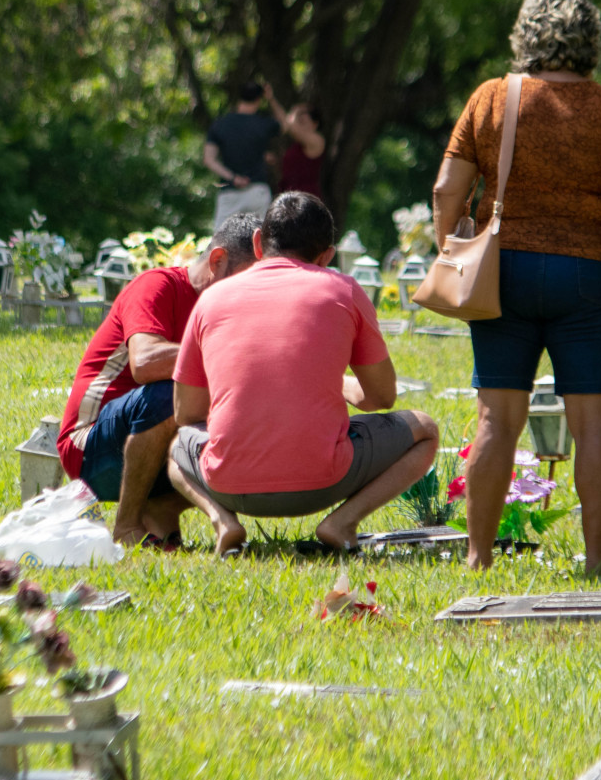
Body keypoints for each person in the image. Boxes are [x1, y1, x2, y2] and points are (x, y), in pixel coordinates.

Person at [431, 0, 601, 577]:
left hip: (504, 271)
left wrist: (450, 250)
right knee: (593, 424)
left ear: (525, 38)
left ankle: (478, 557)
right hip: (588, 276)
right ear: (591, 43)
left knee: (497, 419)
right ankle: (598, 561)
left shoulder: (492, 98)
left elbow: (446, 189)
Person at [166, 192, 441, 555]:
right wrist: (337, 384)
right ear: (328, 255)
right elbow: (381, 397)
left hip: (228, 484)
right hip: (325, 482)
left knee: (175, 449)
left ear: (258, 243)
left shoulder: (212, 299)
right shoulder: (344, 289)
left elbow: (186, 413)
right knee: (425, 430)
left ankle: (223, 522)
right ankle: (342, 522)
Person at [57, 213, 263, 547]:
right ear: (217, 260)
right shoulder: (156, 285)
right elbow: (145, 363)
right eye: (245, 282)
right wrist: (227, 351)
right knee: (171, 393)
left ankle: (159, 512)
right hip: (90, 446)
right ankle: (126, 526)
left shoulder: (231, 308)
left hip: (149, 443)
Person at [204, 82, 278, 225]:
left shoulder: (220, 124)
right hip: (257, 189)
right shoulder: (262, 124)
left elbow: (209, 160)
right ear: (259, 99)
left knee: (221, 241)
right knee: (259, 241)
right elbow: (286, 124)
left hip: (230, 192)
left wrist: (233, 178)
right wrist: (271, 99)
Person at [268, 86, 326, 201]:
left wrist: (295, 110)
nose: (298, 125)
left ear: (315, 124)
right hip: (288, 197)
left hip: (306, 198)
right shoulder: (296, 145)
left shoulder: (317, 140)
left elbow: (288, 126)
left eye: (303, 122)